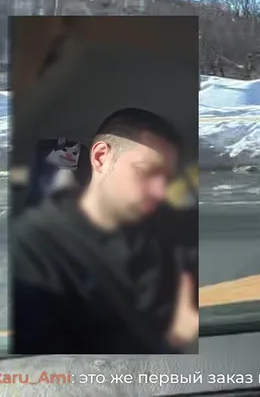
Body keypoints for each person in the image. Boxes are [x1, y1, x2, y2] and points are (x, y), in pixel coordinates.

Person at [10, 107, 199, 355]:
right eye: (147, 172)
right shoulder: (35, 247)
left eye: (167, 178)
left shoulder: (170, 230)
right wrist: (174, 341)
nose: (160, 192)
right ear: (100, 158)